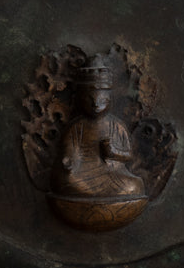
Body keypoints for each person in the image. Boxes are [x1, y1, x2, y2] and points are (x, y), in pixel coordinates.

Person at [50, 57, 145, 199]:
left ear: (110, 99)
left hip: (112, 174)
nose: (96, 105)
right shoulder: (77, 127)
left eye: (101, 101)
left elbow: (128, 155)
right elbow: (69, 151)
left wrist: (114, 152)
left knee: (134, 185)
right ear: (81, 99)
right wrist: (68, 160)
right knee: (65, 180)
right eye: (90, 100)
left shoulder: (116, 125)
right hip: (83, 173)